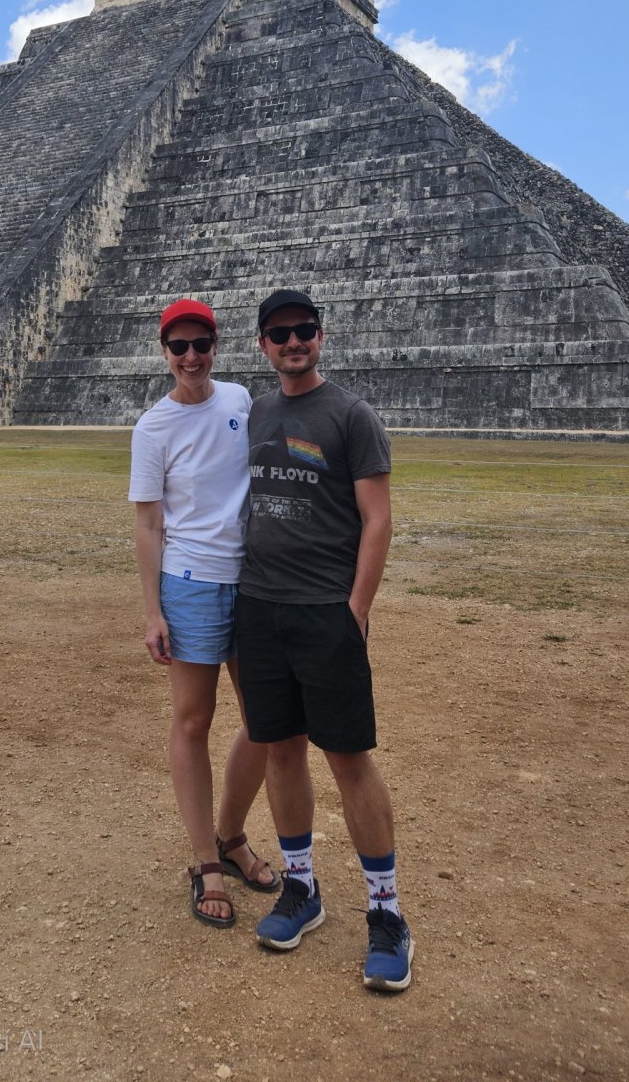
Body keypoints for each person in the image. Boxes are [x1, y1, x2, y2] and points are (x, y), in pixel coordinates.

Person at [234, 287, 413, 992]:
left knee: (348, 758)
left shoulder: (351, 415)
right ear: (263, 345)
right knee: (280, 750)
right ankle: (301, 887)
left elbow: (378, 518)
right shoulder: (256, 413)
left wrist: (356, 609)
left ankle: (387, 913)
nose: (293, 342)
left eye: (304, 330)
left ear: (321, 336)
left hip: (323, 611)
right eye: (280, 334)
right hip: (260, 606)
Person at [129, 297, 280, 929]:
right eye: (179, 347)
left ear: (217, 346)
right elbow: (148, 524)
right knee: (193, 721)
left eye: (201, 345)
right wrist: (152, 612)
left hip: (253, 580)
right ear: (165, 353)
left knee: (264, 722)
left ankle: (231, 834)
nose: (191, 357)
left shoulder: (241, 400)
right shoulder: (153, 427)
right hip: (190, 584)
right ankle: (205, 860)